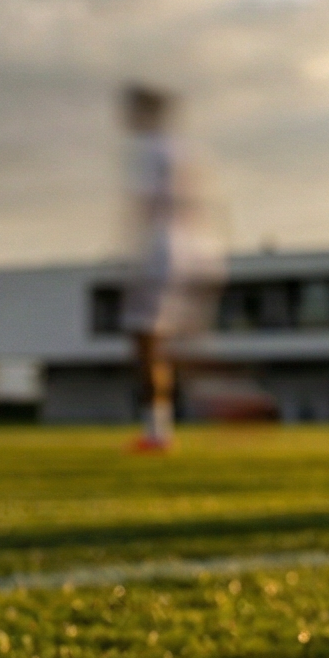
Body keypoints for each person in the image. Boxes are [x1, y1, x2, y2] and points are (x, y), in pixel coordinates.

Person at [120, 84, 219, 453]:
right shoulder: (182, 149)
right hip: (187, 249)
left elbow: (148, 205)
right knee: (161, 343)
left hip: (160, 251)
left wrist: (137, 252)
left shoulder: (150, 148)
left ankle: (159, 431)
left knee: (146, 341)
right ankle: (160, 429)